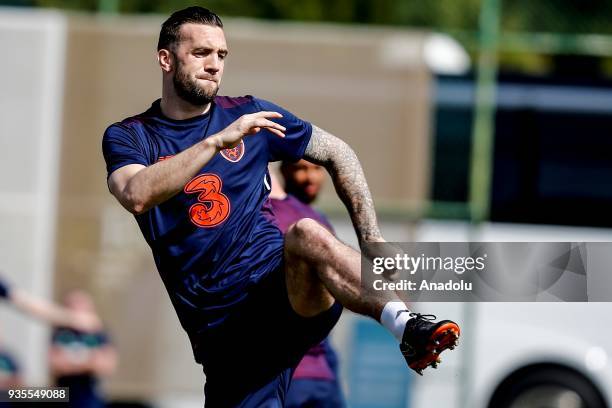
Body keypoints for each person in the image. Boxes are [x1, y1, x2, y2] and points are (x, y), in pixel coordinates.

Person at [102, 6, 460, 406]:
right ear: (166, 59)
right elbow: (136, 195)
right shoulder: (131, 136)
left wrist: (371, 238)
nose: (214, 65)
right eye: (201, 53)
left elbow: (338, 152)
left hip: (280, 289)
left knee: (307, 233)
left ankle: (408, 328)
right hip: (223, 329)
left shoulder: (248, 113)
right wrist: (216, 142)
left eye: (221, 55)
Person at [267, 162, 344, 407]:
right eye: (301, 168)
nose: (310, 177)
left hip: (323, 371)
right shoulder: (265, 215)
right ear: (284, 171)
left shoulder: (319, 220)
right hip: (283, 373)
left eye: (317, 168)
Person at [49, 290, 117, 408]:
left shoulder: (99, 333)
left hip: (90, 395)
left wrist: (72, 361)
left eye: (81, 307)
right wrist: (89, 360)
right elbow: (57, 365)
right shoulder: (60, 333)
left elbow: (106, 366)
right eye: (72, 307)